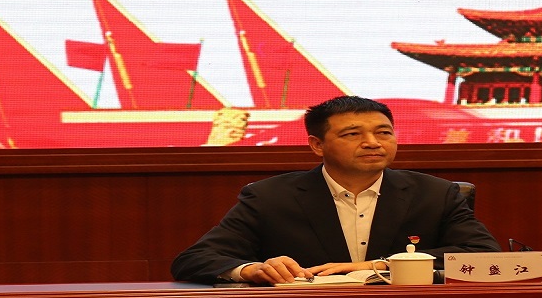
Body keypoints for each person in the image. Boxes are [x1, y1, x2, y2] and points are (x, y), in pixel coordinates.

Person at [171, 96, 500, 285]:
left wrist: (378, 265)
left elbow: (485, 256)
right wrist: (252, 269)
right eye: (353, 134)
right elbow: (194, 260)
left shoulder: (435, 193)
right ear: (317, 145)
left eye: (384, 132)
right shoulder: (270, 197)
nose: (372, 143)